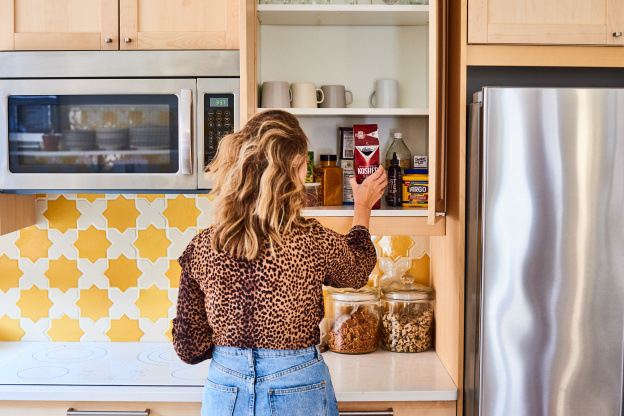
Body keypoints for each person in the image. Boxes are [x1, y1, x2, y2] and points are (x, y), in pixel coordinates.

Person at [172, 110, 386, 416]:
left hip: (225, 390)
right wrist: (363, 206)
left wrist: (235, 353)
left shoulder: (204, 246)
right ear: (295, 171)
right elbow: (357, 270)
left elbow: (189, 348)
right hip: (298, 385)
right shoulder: (312, 240)